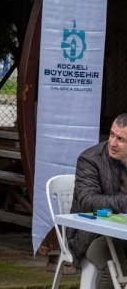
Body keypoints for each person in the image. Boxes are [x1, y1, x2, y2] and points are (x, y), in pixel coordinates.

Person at [68, 113, 127, 288]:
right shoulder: (90, 159)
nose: (113, 143)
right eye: (111, 134)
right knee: (115, 268)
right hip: (90, 234)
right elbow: (88, 201)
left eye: (121, 139)